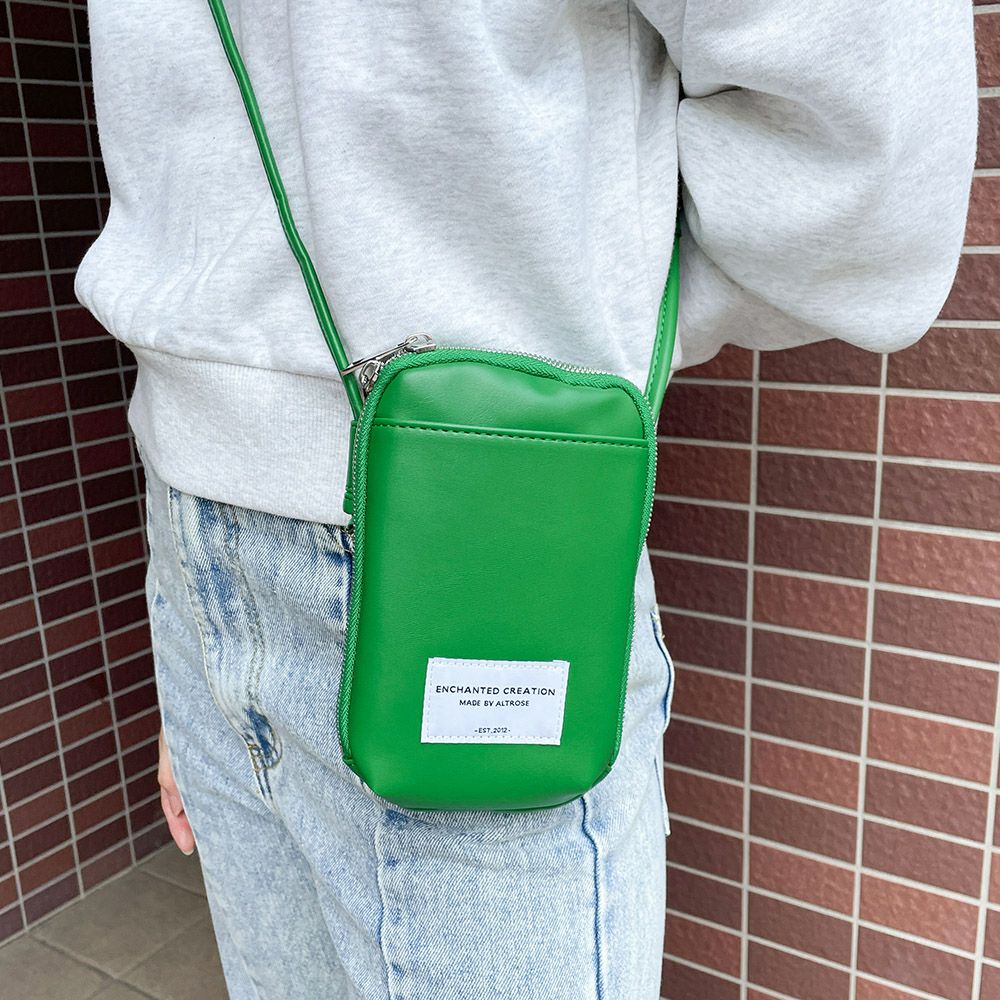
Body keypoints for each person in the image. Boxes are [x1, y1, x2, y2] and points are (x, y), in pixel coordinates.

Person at [75, 2, 977, 997]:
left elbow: (866, 166)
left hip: (456, 536)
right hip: (199, 542)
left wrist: (574, 347)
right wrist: (220, 652)